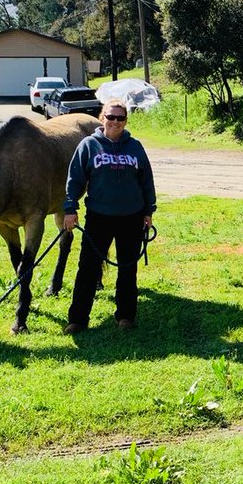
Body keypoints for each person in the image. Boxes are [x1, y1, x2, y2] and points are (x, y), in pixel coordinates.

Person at [62, 100, 156, 334]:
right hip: (99, 218)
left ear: (125, 121)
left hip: (131, 217)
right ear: (102, 117)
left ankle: (125, 316)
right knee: (88, 268)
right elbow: (75, 179)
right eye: (111, 117)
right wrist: (70, 208)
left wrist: (148, 211)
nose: (115, 122)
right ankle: (78, 320)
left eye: (120, 118)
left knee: (128, 269)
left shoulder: (135, 147)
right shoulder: (89, 145)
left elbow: (146, 180)